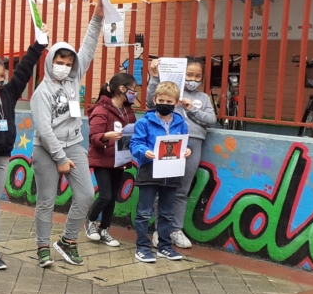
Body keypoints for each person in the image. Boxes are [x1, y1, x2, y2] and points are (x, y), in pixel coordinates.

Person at [30, 9, 104, 267]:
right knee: (46, 201)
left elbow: (88, 47)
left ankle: (67, 241)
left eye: (68, 63)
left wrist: (97, 17)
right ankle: (42, 246)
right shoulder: (42, 92)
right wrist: (60, 158)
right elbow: (44, 129)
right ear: (50, 61)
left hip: (73, 145)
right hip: (47, 150)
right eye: (59, 61)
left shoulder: (74, 80)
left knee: (85, 195)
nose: (64, 67)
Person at [0, 29, 47, 270]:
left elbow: (25, 69)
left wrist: (39, 44)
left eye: (1, 75)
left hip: (4, 156)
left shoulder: (9, 93)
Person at [145, 57, 216, 248]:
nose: (193, 79)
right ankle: (160, 231)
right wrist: (154, 77)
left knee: (182, 190)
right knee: (164, 187)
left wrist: (191, 109)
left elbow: (211, 120)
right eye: (189, 74)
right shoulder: (172, 91)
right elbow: (150, 103)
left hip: (193, 143)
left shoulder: (204, 98)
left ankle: (176, 230)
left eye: (198, 76)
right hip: (170, 141)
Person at [130, 80, 192, 263]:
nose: (165, 104)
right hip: (149, 170)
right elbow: (135, 144)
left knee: (167, 213)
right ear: (155, 99)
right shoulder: (144, 122)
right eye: (161, 100)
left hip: (171, 172)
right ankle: (142, 247)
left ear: (176, 103)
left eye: (169, 102)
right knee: (144, 212)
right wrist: (144, 151)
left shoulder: (181, 122)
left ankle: (164, 246)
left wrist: (187, 150)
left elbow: (183, 143)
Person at [84, 73, 138, 247]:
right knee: (105, 195)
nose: (134, 94)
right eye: (133, 90)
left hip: (120, 159)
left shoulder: (128, 112)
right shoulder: (101, 109)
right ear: (122, 89)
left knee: (113, 196)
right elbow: (94, 137)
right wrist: (107, 136)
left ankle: (104, 229)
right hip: (102, 159)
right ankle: (90, 221)